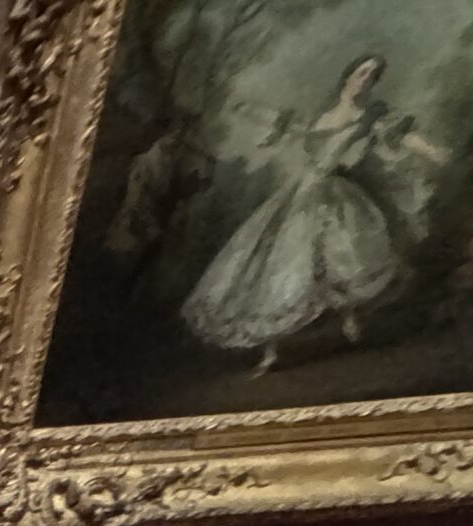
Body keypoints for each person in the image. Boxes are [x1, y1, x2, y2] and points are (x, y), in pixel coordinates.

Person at [181, 55, 446, 374]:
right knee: (281, 266)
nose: (365, 80)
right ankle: (270, 352)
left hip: (340, 193)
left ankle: (349, 315)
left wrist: (434, 151)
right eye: (362, 72)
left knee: (346, 255)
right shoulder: (320, 116)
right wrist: (247, 108)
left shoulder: (372, 116)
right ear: (348, 75)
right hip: (302, 196)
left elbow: (404, 135)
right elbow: (282, 122)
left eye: (373, 76)